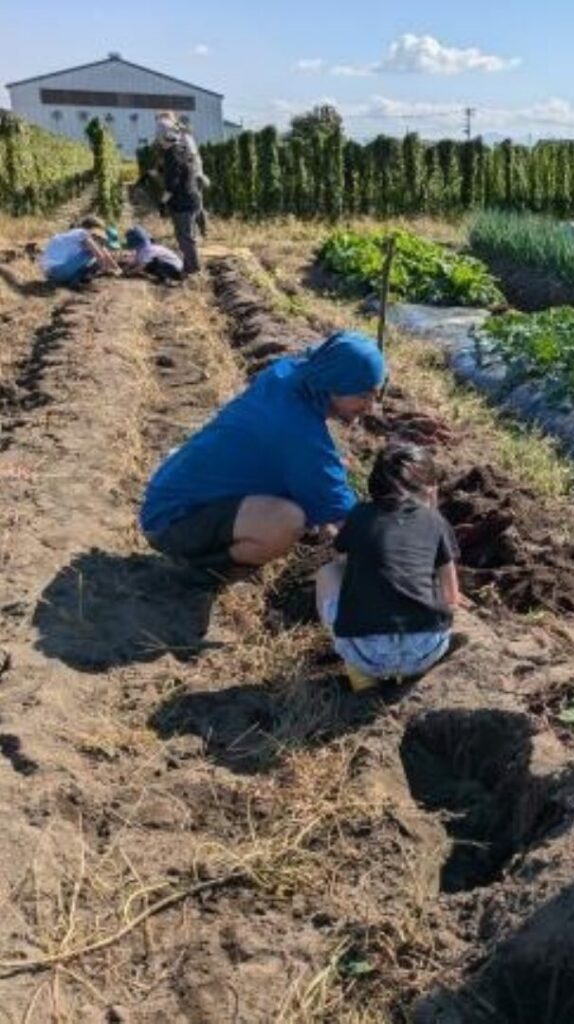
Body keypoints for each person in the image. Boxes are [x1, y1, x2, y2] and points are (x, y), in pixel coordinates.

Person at [140, 331, 387, 580]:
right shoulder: (298, 435)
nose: (370, 407)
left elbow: (320, 476)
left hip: (171, 492)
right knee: (288, 520)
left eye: (375, 394)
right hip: (172, 522)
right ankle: (201, 570)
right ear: (334, 383)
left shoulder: (289, 373)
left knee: (321, 481)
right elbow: (347, 518)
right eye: (363, 395)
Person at [315, 443, 461, 690]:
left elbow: (344, 563)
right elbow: (451, 596)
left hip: (364, 653)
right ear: (430, 491)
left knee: (328, 573)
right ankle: (415, 675)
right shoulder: (435, 520)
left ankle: (360, 677)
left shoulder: (359, 515)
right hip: (424, 651)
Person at [155, 117, 201, 275]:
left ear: (164, 137)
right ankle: (191, 267)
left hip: (183, 202)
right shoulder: (182, 149)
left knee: (185, 237)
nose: (158, 141)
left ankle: (192, 271)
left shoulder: (172, 155)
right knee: (188, 236)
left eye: (159, 137)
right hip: (191, 198)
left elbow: (172, 186)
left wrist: (162, 203)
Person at [39, 215, 121, 286]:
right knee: (91, 253)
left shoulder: (71, 234)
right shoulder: (83, 234)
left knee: (88, 263)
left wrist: (116, 268)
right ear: (93, 228)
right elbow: (100, 254)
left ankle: (73, 281)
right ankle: (74, 280)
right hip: (58, 271)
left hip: (49, 274)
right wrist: (108, 269)